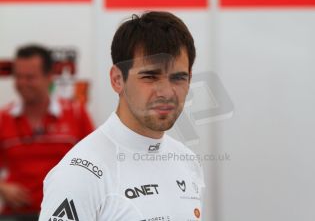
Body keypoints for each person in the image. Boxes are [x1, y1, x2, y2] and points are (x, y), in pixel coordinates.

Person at [39, 11, 205, 220]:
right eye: (150, 77)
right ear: (117, 79)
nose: (166, 92)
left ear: (190, 79)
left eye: (178, 78)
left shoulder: (188, 161)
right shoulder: (79, 174)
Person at [0, 45, 94, 216]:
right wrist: (3, 187)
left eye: (30, 77)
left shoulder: (76, 113)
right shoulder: (3, 117)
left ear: (49, 77)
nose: (22, 83)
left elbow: (98, 162)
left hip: (66, 213)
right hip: (15, 214)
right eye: (18, 77)